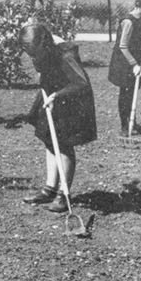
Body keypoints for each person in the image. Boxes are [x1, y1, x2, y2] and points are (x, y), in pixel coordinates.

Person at [20, 23, 96, 212]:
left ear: (45, 44)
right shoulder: (40, 48)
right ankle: (49, 189)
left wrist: (58, 95)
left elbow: (81, 83)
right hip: (53, 94)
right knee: (48, 138)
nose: (33, 58)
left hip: (71, 98)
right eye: (31, 55)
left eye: (35, 53)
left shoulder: (65, 54)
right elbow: (41, 66)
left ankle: (64, 194)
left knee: (64, 143)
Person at [108, 0, 141, 136]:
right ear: (138, 5)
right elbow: (123, 46)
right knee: (125, 93)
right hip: (124, 61)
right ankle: (124, 125)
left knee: (132, 90)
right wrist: (134, 64)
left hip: (135, 59)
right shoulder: (128, 22)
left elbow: (137, 40)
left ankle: (132, 121)